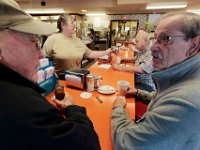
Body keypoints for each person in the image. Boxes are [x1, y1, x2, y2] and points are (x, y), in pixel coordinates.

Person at [0, 0, 100, 149]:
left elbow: (89, 53)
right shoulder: (24, 106)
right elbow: (87, 144)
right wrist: (73, 108)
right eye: (34, 43)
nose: (41, 55)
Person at [111, 11, 200, 150]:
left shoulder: (186, 103)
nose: (152, 47)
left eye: (164, 39)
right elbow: (167, 97)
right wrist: (138, 93)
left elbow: (126, 143)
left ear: (194, 45)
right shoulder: (186, 78)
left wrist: (117, 109)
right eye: (156, 38)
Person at [43, 14, 113, 77]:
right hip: (59, 80)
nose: (74, 25)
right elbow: (43, 60)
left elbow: (90, 54)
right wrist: (49, 74)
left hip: (77, 77)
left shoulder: (77, 40)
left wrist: (106, 52)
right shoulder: (52, 39)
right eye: (72, 23)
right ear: (63, 25)